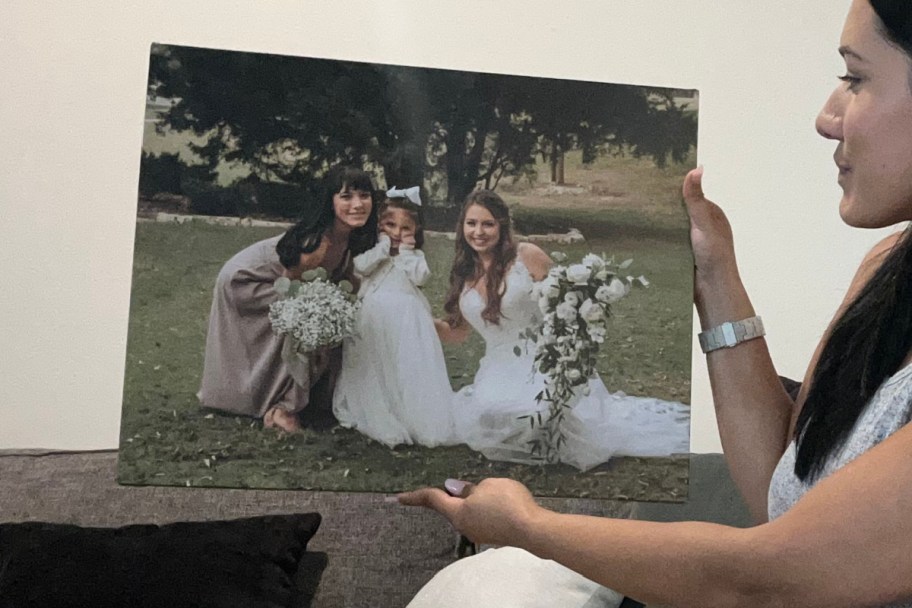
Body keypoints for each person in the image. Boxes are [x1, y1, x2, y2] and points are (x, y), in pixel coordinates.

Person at [401, 1, 912, 605]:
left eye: (855, 78)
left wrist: (525, 527)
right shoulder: (885, 270)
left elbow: (774, 580)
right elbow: (784, 489)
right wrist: (716, 274)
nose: (828, 118)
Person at [434, 189, 690, 471]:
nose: (478, 232)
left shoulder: (526, 256)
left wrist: (570, 356)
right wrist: (414, 319)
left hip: (545, 359)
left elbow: (569, 303)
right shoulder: (463, 271)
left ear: (502, 226)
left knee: (536, 414)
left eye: (487, 224)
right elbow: (457, 333)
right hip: (497, 367)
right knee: (490, 415)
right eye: (472, 224)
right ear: (462, 227)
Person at [197, 166, 378, 433]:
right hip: (248, 281)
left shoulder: (346, 238)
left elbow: (349, 280)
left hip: (287, 285)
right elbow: (293, 294)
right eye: (346, 197)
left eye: (364, 196)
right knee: (308, 330)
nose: (357, 204)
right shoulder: (318, 245)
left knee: (326, 319)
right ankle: (283, 409)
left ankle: (315, 400)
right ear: (330, 201)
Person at [332, 186, 456, 447]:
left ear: (416, 232)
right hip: (374, 314)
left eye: (405, 228)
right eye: (390, 225)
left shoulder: (415, 256)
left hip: (406, 317)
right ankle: (377, 407)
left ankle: (409, 412)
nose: (397, 233)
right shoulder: (373, 251)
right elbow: (360, 267)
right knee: (374, 361)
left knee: (405, 364)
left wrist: (406, 254)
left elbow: (421, 278)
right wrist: (383, 249)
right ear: (379, 225)